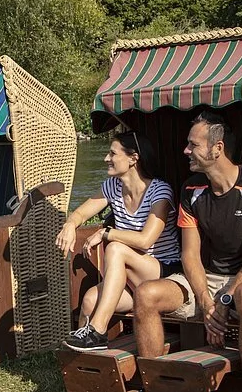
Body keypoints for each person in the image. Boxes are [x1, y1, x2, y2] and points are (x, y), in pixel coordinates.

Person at [127, 109, 242, 392]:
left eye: (192, 144)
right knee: (146, 294)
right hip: (204, 280)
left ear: (217, 149)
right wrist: (206, 299)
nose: (186, 151)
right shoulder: (191, 188)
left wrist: (225, 299)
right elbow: (189, 255)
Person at [57, 131, 181, 353]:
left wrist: (107, 233)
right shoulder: (112, 187)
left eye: (112, 153)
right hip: (131, 278)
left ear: (133, 159)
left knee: (115, 248)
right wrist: (69, 225)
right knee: (89, 301)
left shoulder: (160, 191)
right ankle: (85, 369)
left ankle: (98, 330)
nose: (106, 159)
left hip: (162, 272)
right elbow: (81, 214)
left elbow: (145, 240)